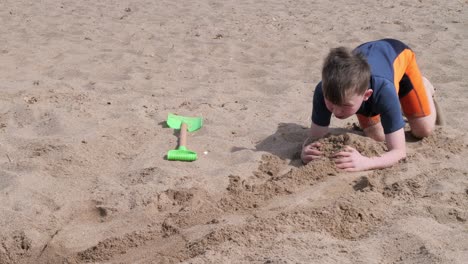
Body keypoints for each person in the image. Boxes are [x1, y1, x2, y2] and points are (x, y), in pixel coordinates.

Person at [301, 38, 438, 171]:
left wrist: (366, 162)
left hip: (399, 56)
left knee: (423, 130)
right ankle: (391, 109)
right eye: (331, 102)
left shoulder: (384, 91)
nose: (337, 112)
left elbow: (399, 152)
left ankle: (424, 86)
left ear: (366, 95)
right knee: (378, 138)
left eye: (346, 106)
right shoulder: (324, 90)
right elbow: (315, 139)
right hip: (360, 70)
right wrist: (305, 151)